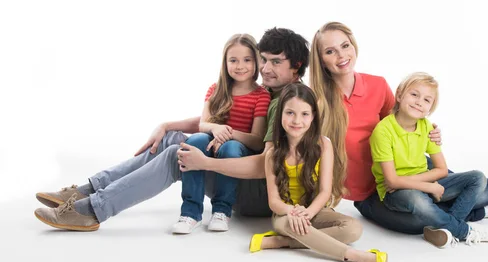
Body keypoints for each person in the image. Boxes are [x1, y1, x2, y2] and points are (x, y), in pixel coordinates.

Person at [33, 27, 309, 231]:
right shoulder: (275, 92)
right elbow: (221, 121)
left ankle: (92, 210)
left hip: (257, 195)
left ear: (295, 68)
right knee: (174, 139)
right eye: (264, 60)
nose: (264, 68)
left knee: (178, 155)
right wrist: (167, 125)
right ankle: (87, 190)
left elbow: (264, 164)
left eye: (276, 62)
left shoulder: (288, 102)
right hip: (243, 180)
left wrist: (204, 163)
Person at [308, 22, 488, 237]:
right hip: (371, 193)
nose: (341, 55)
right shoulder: (317, 101)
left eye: (345, 45)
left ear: (353, 46)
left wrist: (429, 130)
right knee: (417, 223)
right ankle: (484, 212)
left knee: (460, 189)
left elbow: (399, 121)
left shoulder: (376, 85)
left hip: (411, 168)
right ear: (321, 60)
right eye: (330, 51)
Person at [248, 83, 387, 262]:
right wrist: (293, 212)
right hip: (286, 215)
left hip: (316, 210)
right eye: (290, 113)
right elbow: (274, 202)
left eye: (304, 114)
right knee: (292, 224)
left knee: (354, 228)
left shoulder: (323, 144)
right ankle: (356, 256)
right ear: (280, 114)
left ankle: (281, 242)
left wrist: (309, 213)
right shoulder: (273, 154)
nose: (297, 120)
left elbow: (325, 191)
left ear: (313, 117)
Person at [370, 72, 488, 248]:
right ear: (400, 95)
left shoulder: (427, 127)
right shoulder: (383, 131)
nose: (419, 102)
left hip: (420, 182)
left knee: (477, 177)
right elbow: (391, 181)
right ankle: (464, 231)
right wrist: (427, 185)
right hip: (395, 193)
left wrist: (420, 182)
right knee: (418, 201)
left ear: (430, 108)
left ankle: (446, 230)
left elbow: (441, 169)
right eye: (414, 94)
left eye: (427, 100)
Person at [172, 34, 270, 234]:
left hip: (238, 147)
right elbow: (203, 125)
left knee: (230, 146)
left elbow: (257, 140)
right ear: (225, 63)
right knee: (196, 140)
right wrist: (216, 129)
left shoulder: (262, 95)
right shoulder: (215, 90)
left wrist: (228, 134)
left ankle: (221, 211)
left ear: (257, 62)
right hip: (210, 140)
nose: (240, 66)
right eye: (233, 60)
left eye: (247, 60)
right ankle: (190, 213)